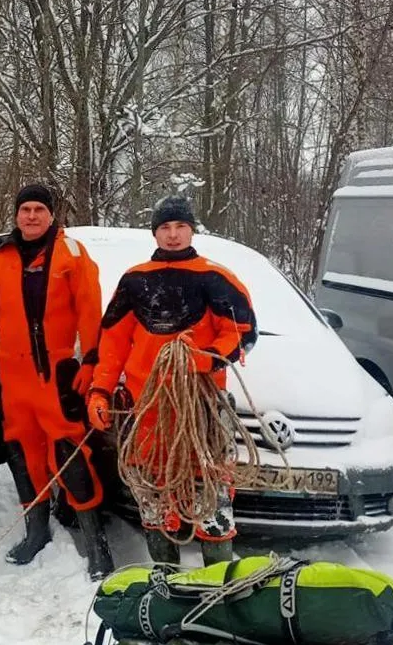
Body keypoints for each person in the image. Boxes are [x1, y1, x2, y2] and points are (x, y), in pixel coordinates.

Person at [86, 195, 257, 566]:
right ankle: (167, 576)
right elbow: (112, 341)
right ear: (155, 233)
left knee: (209, 493)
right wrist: (100, 390)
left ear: (191, 229)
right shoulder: (134, 280)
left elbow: (242, 332)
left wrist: (204, 358)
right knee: (153, 496)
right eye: (165, 227)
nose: (173, 235)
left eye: (180, 226)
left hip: (200, 407)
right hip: (144, 407)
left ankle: (218, 579)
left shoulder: (217, 278)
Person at [0, 184, 114, 580]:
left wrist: (91, 359)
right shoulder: (1, 257)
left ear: (51, 216)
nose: (31, 216)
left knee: (70, 453)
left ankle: (97, 546)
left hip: (57, 373)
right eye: (24, 209)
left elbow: (89, 308)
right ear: (16, 215)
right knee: (24, 456)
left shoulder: (72, 254)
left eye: (38, 210)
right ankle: (36, 531)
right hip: (13, 377)